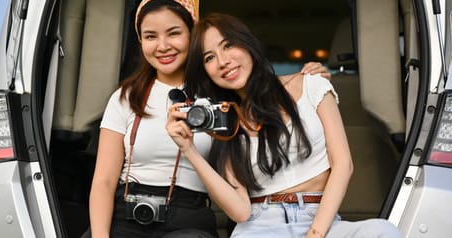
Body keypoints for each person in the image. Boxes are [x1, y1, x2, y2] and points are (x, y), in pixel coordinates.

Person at [88, 0, 330, 238]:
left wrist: (309, 77)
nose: (162, 46)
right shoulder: (126, 96)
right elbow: (104, 182)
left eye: (174, 33)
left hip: (189, 218)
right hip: (125, 213)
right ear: (140, 42)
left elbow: (267, 90)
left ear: (193, 36)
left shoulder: (224, 95)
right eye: (150, 36)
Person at [166, 13, 404, 238]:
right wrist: (189, 150)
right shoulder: (224, 122)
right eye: (209, 57)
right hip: (260, 225)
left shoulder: (312, 85)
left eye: (228, 45)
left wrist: (316, 234)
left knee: (382, 231)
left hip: (322, 221)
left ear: (247, 44)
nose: (223, 61)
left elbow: (343, 165)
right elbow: (240, 212)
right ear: (205, 71)